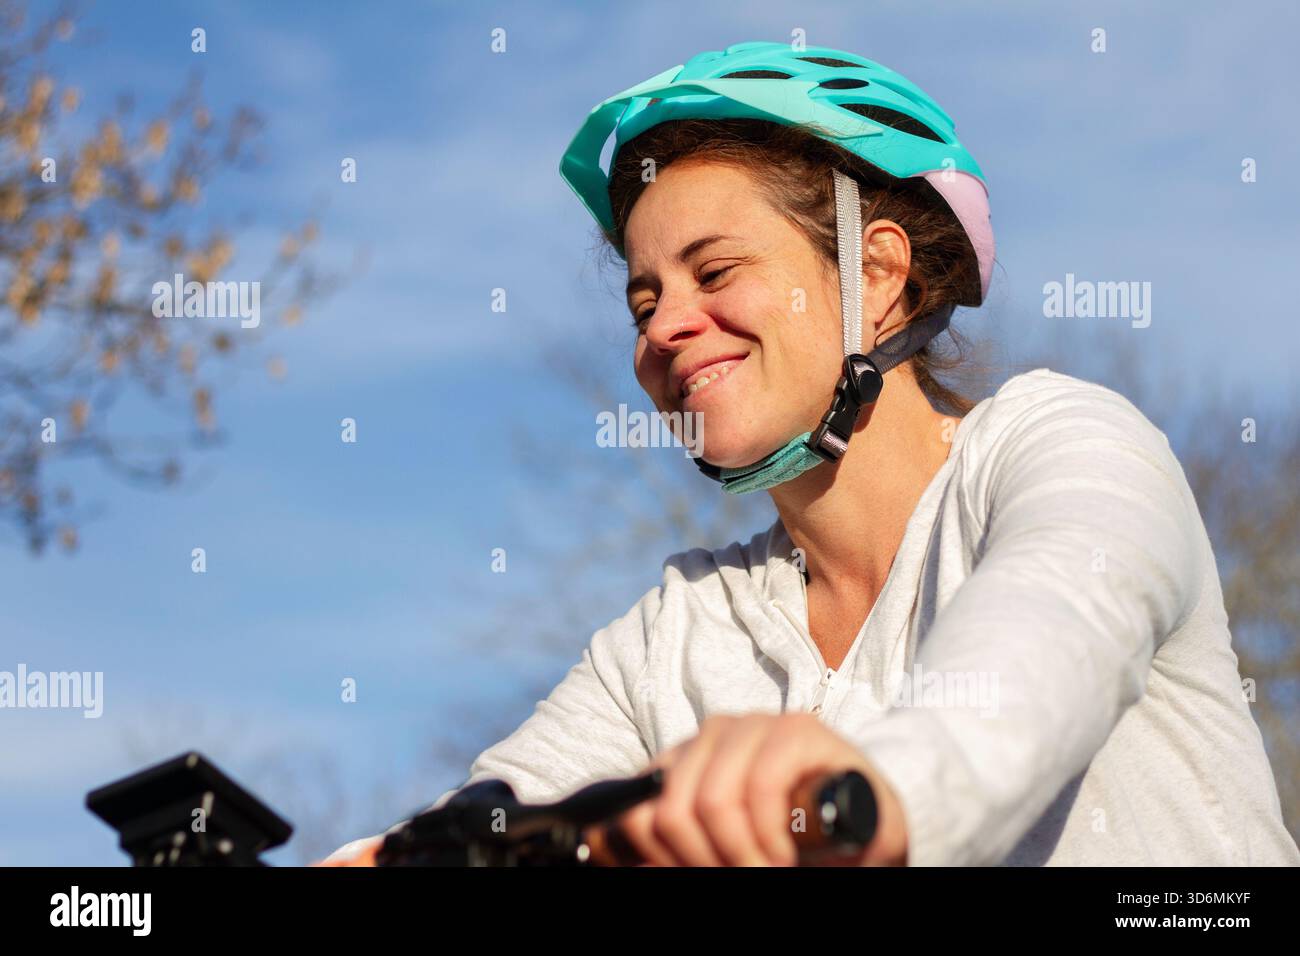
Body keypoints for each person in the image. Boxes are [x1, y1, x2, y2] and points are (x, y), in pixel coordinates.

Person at [323, 40, 1298, 866]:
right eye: (642, 298)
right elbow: (487, 816)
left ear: (874, 276)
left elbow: (1044, 649)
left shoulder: (1064, 443)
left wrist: (871, 786)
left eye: (713, 271)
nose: (665, 327)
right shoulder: (682, 631)